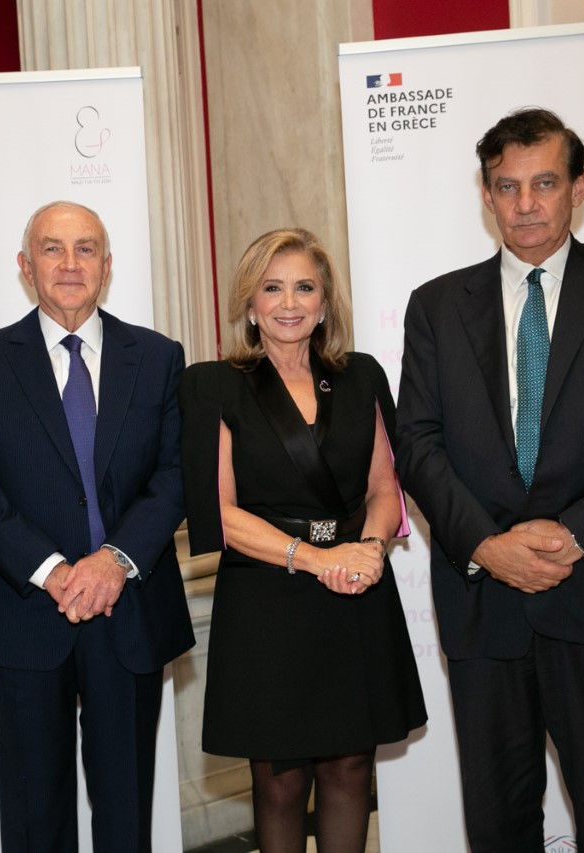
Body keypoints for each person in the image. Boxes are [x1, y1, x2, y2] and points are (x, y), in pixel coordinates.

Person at [395, 108, 584, 852]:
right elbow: (418, 443)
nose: (525, 203)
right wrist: (485, 545)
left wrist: (577, 533)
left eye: (545, 183)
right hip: (483, 602)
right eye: (507, 186)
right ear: (486, 195)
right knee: (497, 821)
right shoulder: (436, 305)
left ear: (578, 188)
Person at [0, 200, 193, 852]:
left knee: (125, 815)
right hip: (26, 610)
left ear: (107, 266)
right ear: (25, 267)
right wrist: (53, 570)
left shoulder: (159, 357)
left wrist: (114, 560)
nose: (70, 264)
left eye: (86, 249)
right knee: (35, 820)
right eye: (52, 249)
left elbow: (176, 475)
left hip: (129, 608)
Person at [180, 228, 427, 852]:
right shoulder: (212, 384)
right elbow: (219, 511)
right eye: (272, 288)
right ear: (250, 303)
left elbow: (384, 486)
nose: (289, 303)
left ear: (324, 303)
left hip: (356, 589)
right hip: (268, 597)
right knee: (281, 782)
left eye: (304, 287)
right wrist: (318, 560)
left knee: (351, 768)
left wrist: (368, 553)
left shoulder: (362, 376)